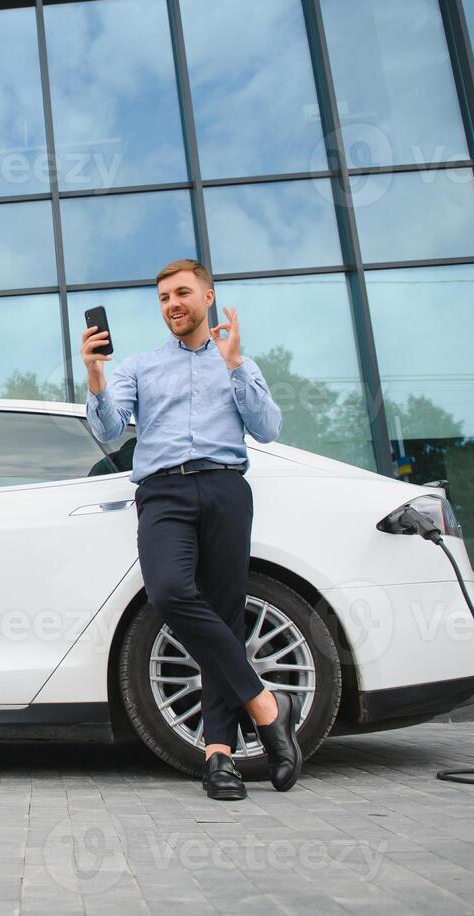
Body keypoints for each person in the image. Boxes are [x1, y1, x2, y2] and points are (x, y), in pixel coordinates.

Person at [82, 258, 300, 801]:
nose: (172, 304)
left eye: (182, 293)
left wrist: (234, 366)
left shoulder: (237, 362)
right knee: (170, 592)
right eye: (163, 298)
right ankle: (269, 707)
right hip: (164, 493)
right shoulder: (139, 366)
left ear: (207, 298)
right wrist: (94, 376)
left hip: (226, 490)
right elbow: (108, 430)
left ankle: (218, 756)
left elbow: (268, 429)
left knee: (224, 618)